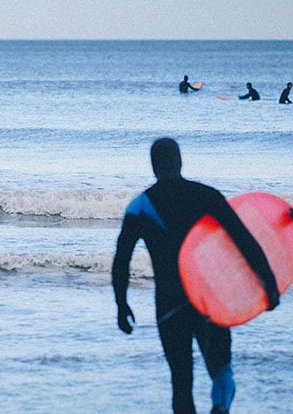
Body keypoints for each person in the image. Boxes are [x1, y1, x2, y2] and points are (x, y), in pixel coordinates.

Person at [112, 138, 279, 414]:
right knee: (222, 373)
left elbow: (121, 260)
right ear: (180, 161)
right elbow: (244, 241)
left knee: (181, 383)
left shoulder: (139, 207)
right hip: (209, 302)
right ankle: (220, 408)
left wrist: (121, 304)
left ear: (153, 166)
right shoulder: (207, 196)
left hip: (169, 305)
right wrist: (269, 284)